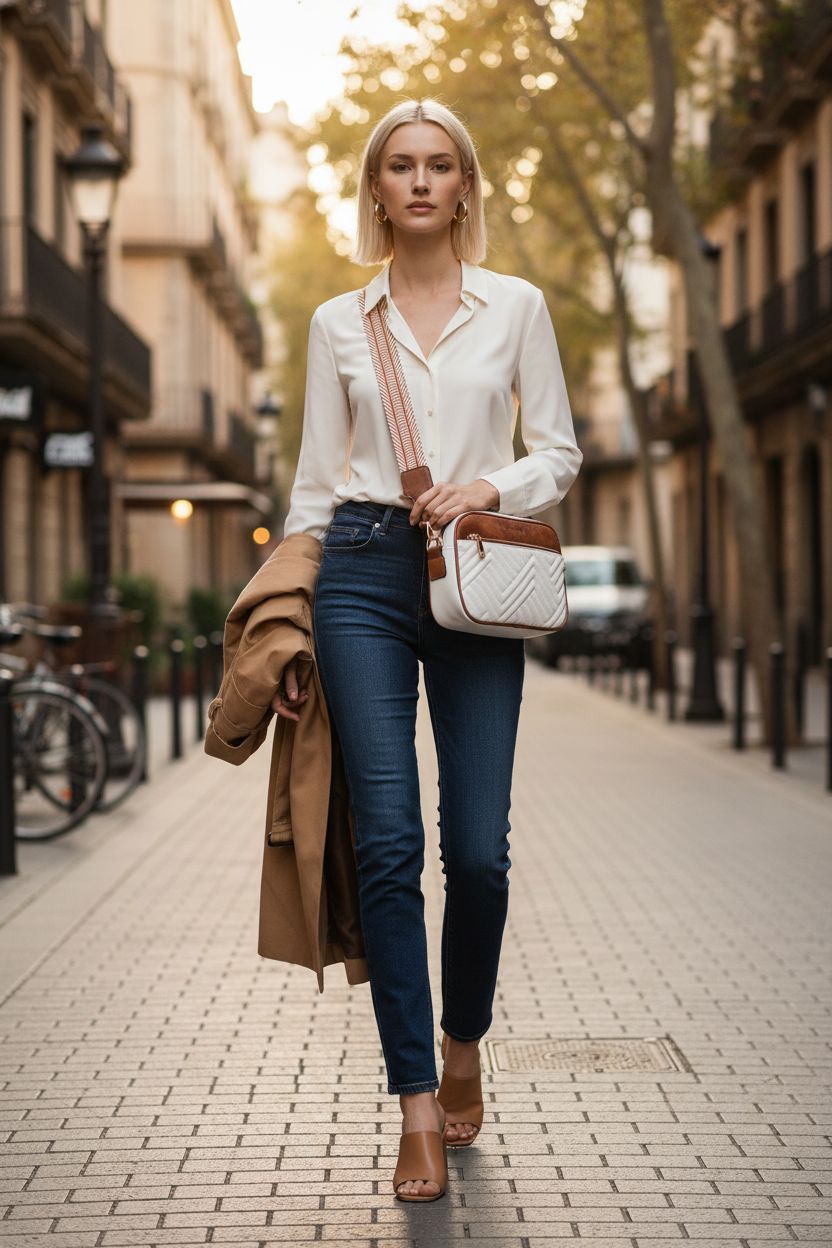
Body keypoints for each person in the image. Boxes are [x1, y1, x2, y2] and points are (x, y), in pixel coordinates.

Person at [271, 98, 583, 1202]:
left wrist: (489, 484)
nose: (416, 182)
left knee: (479, 852)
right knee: (391, 845)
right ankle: (414, 1105)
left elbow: (559, 450)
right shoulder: (336, 321)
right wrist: (293, 624)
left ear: (464, 188)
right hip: (360, 569)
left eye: (436, 166)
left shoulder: (517, 308)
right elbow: (314, 485)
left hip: (479, 573)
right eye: (398, 166)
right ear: (374, 189)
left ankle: (466, 1045)